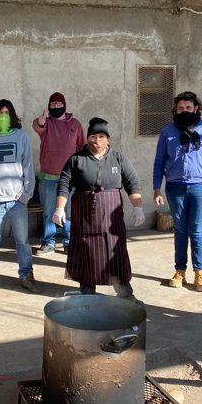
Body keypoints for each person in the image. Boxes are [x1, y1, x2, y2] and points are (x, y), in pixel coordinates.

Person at [54, 117, 144, 300]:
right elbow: (64, 183)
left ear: (108, 139)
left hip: (112, 217)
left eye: (102, 136)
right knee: (86, 252)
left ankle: (125, 294)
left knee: (115, 252)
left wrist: (138, 207)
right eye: (94, 136)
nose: (97, 140)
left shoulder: (118, 158)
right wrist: (59, 208)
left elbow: (132, 182)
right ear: (88, 138)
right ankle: (87, 293)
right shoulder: (76, 159)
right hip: (84, 215)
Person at [152, 91, 202, 292]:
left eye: (188, 108)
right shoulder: (168, 131)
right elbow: (159, 161)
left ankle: (199, 272)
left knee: (196, 229)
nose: (185, 111)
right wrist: (157, 188)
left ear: (196, 109)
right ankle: (180, 270)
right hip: (175, 187)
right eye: (181, 108)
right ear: (176, 109)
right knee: (180, 230)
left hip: (201, 186)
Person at [0, 99, 39, 295]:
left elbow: (28, 167)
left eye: (6, 113)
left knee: (22, 242)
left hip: (17, 202)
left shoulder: (22, 137)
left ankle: (26, 276)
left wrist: (25, 195)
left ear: (12, 116)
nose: (3, 116)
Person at [32, 92, 85, 256]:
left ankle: (69, 242)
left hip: (70, 178)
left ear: (64, 105)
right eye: (52, 104)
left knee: (69, 212)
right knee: (49, 211)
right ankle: (48, 242)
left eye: (58, 103)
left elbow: (82, 147)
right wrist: (40, 122)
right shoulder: (46, 123)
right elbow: (37, 126)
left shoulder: (75, 124)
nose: (55, 106)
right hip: (48, 176)